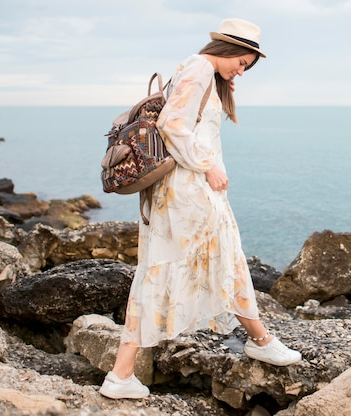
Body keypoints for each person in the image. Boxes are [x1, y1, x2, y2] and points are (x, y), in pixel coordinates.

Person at [99, 18, 302, 400]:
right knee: (223, 258)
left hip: (184, 190)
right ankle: (260, 339)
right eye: (240, 63)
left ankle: (121, 374)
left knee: (165, 268)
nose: (240, 71)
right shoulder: (199, 68)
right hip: (189, 190)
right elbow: (172, 124)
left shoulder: (201, 71)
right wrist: (209, 165)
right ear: (225, 50)